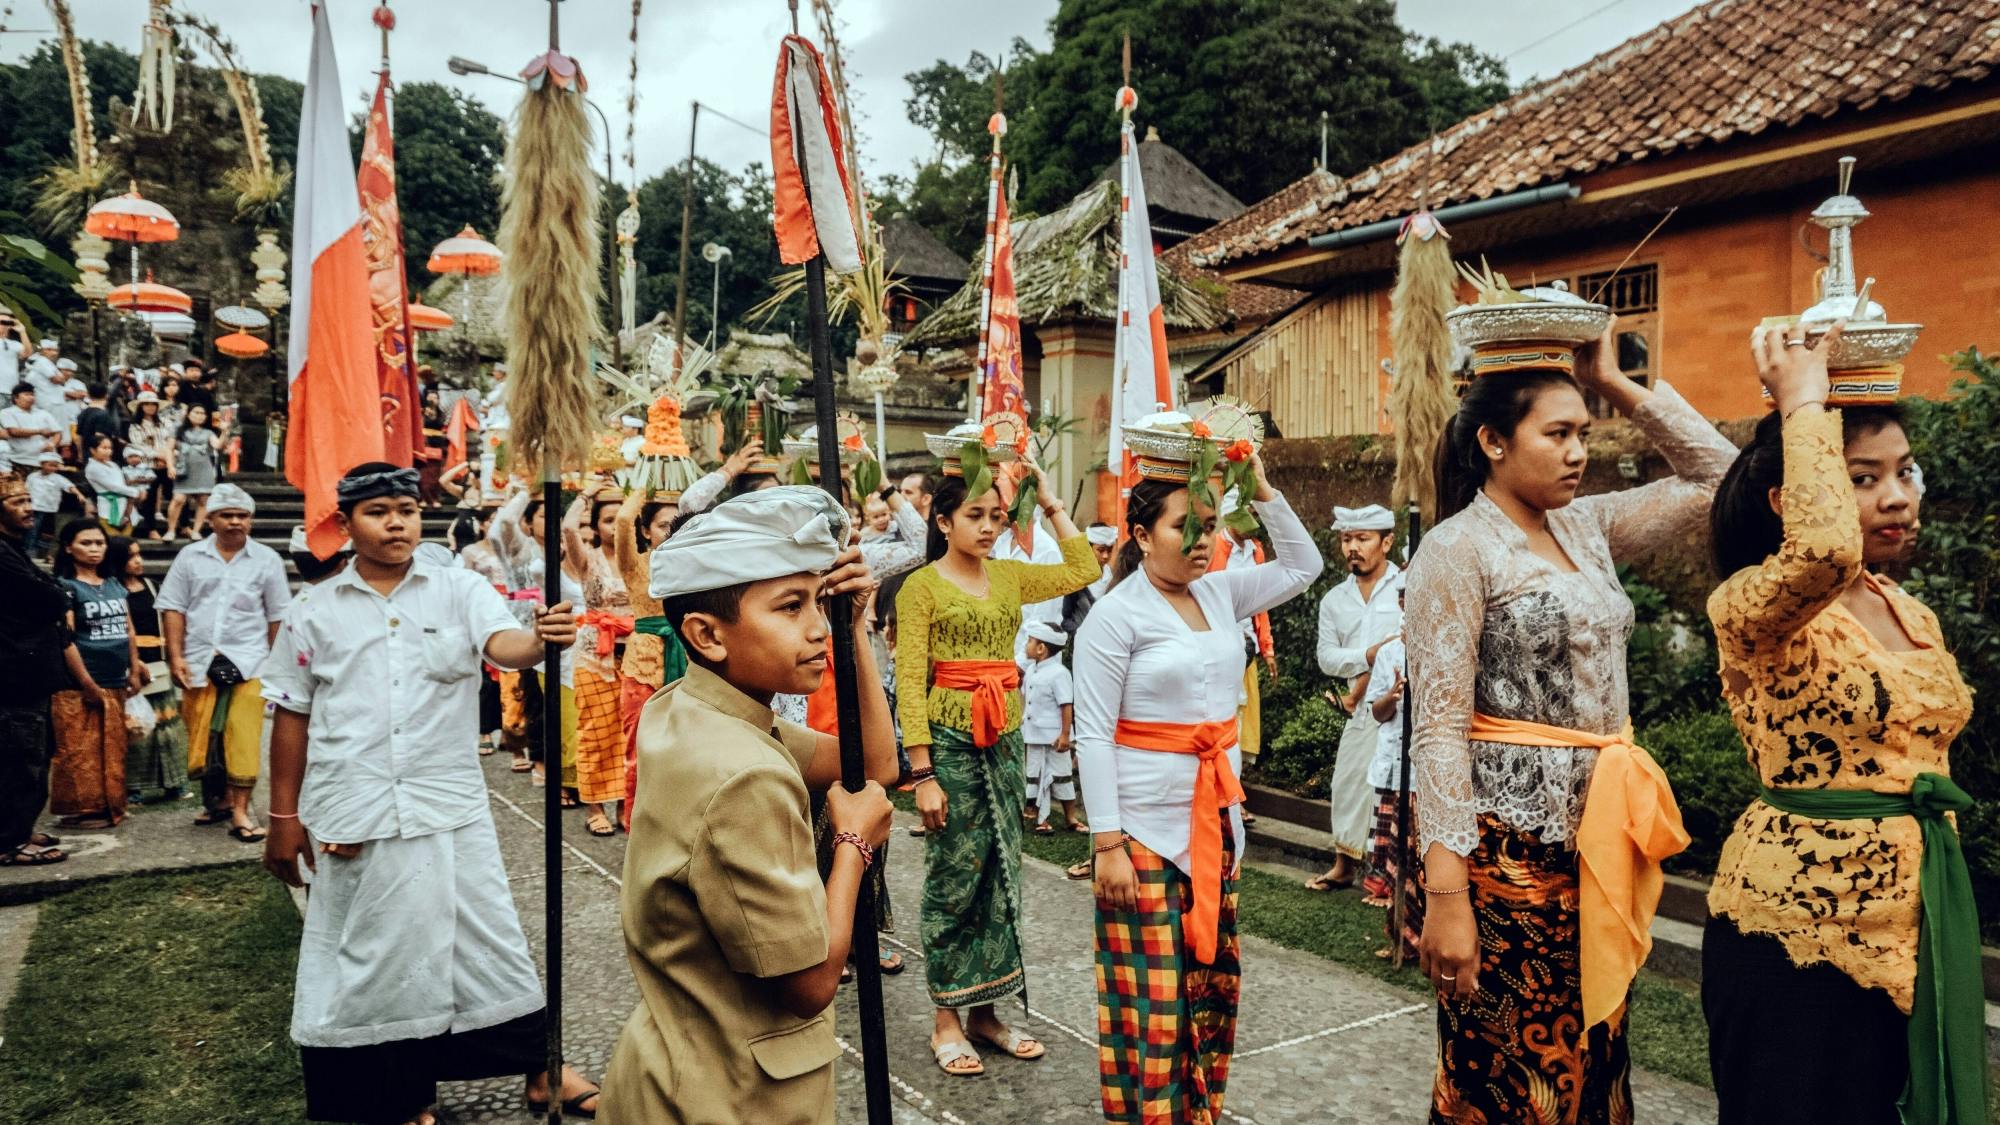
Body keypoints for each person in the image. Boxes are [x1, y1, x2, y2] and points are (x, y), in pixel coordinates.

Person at [1405, 318, 1734, 1123]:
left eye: (1585, 431)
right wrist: (1446, 894)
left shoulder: (1586, 528)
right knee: (1513, 1074)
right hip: (1508, 859)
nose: (1579, 451)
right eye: (1557, 433)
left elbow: (1722, 478)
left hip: (1600, 842)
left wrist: (1620, 384)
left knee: (1596, 1059)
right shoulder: (1456, 549)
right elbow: (1438, 727)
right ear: (1491, 439)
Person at [257, 463, 600, 1125]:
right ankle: (399, 1093)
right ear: (346, 522)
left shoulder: (459, 589)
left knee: (486, 940)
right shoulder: (313, 613)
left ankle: (542, 1069)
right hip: (356, 810)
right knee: (374, 959)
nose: (396, 523)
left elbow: (503, 643)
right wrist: (281, 815)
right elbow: (291, 714)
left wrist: (539, 640)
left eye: (406, 510)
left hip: (449, 809)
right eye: (378, 511)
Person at [1702, 324, 1984, 1125]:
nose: (1897, 495)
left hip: (1916, 923)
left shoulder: (1909, 609)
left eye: (1904, 471)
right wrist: (1801, 398)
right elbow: (1824, 550)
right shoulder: (1755, 610)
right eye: (1864, 478)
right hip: (1795, 939)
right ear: (1794, 497)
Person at [602, 485, 898, 1125]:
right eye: (790, 607)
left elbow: (872, 767)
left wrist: (853, 633)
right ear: (707, 634)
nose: (816, 625)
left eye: (818, 602)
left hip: (676, 1067)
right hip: (726, 1097)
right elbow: (811, 985)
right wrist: (853, 846)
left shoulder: (692, 705)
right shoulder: (745, 774)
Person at [1073, 438, 1320, 1124]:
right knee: (1152, 998)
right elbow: (1093, 733)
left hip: (1215, 822)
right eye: (1185, 525)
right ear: (1142, 533)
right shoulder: (1114, 617)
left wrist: (1263, 487)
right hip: (1144, 830)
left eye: (1209, 525)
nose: (1202, 540)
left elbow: (1305, 564)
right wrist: (1108, 843)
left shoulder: (1220, 593)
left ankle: (1201, 1108)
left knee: (1211, 986)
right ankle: (1148, 1115)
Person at [895, 448, 1096, 1077]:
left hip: (1004, 736)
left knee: (1003, 870)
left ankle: (986, 1013)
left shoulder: (1008, 576)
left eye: (996, 516)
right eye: (974, 515)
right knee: (955, 873)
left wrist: (1049, 496)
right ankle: (947, 1018)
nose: (988, 527)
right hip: (951, 742)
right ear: (943, 521)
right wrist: (922, 774)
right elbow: (908, 680)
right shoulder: (921, 587)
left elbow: (1084, 564)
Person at [159, 482, 290, 841]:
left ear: (250, 520)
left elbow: (277, 616)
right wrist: (176, 657)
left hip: (251, 661)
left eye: (242, 516)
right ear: (211, 519)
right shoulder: (190, 557)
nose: (235, 522)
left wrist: (279, 667)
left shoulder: (267, 560)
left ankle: (240, 811)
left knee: (242, 735)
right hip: (199, 660)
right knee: (205, 736)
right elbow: (173, 607)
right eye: (227, 515)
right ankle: (216, 801)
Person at [1306, 504, 1402, 891]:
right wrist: (1367, 656)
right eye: (1347, 539)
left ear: (1387, 541)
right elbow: (1327, 658)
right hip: (1362, 711)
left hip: (1403, 705)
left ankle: (1392, 878)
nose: (1353, 548)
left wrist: (1383, 659)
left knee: (1395, 787)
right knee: (1348, 782)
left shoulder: (1407, 585)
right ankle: (1344, 866)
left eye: (1363, 539)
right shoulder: (1334, 600)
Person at [0, 472, 75, 866]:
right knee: (20, 759)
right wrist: (59, 595)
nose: (29, 509)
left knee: (35, 754)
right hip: (14, 676)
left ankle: (20, 827)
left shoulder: (14, 549)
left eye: (29, 501)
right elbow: (49, 596)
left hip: (29, 675)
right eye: (18, 503)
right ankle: (10, 842)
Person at [49, 519, 145, 829]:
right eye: (86, 543)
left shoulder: (114, 584)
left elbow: (128, 628)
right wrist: (86, 682)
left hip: (116, 679)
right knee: (80, 749)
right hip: (80, 684)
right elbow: (66, 639)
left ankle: (110, 804)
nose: (94, 549)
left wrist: (134, 667)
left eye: (99, 543)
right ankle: (84, 810)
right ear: (68, 548)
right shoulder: (66, 587)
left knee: (114, 746)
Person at [561, 481, 633, 836]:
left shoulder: (640, 559)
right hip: (594, 655)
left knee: (629, 734)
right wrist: (585, 495)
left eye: (621, 519)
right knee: (595, 732)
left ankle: (624, 804)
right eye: (607, 520)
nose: (614, 526)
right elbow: (568, 527)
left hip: (636, 656)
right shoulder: (587, 559)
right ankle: (593, 805)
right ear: (596, 525)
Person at [611, 488, 684, 831]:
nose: (670, 533)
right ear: (645, 531)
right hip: (643, 666)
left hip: (688, 662)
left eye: (676, 525)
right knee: (638, 753)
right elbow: (624, 519)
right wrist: (645, 483)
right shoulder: (634, 563)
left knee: (686, 752)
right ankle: (636, 830)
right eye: (662, 525)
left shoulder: (692, 566)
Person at [1360, 597, 1420, 959]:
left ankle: (1421, 938)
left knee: (1420, 862)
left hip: (1424, 775)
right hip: (1393, 770)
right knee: (1397, 861)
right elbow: (1378, 714)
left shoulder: (1445, 649)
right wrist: (1392, 696)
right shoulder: (1390, 653)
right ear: (1402, 603)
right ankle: (1400, 938)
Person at [107, 535, 187, 804]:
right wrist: (133, 662)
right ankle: (135, 786)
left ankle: (172, 782)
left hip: (159, 663)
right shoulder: (112, 589)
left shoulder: (152, 586)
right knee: (138, 727)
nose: (138, 561)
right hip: (131, 665)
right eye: (131, 556)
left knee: (167, 726)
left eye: (139, 554)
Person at [1020, 620, 1081, 834]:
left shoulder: (1059, 673)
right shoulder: (1031, 671)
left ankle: (1070, 817)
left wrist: (1065, 735)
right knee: (1034, 774)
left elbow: (1066, 705)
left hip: (1054, 737)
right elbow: (1025, 699)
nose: (1025, 646)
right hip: (1034, 735)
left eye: (1029, 641)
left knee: (1061, 774)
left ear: (1041, 648)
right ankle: (1039, 817)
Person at [165, 402, 224, 540]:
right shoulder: (178, 430)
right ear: (189, 414)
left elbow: (218, 445)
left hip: (204, 468)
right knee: (178, 499)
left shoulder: (208, 432)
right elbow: (168, 448)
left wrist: (225, 431)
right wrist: (170, 466)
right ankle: (171, 529)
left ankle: (197, 530)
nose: (199, 416)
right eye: (196, 412)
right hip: (183, 467)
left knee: (203, 500)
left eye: (202, 413)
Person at [126, 390, 176, 540]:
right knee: (150, 498)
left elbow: (171, 441)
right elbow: (139, 446)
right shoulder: (135, 426)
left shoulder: (165, 422)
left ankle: (181, 524)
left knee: (176, 494)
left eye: (153, 404)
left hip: (168, 460)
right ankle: (151, 529)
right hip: (148, 462)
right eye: (147, 404)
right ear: (140, 407)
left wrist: (167, 456)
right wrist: (158, 455)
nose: (150, 407)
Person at [25, 450, 85, 558]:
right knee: (32, 530)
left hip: (50, 509)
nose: (52, 468)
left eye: (55, 466)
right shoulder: (32, 477)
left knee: (47, 532)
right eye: (50, 465)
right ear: (42, 464)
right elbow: (27, 490)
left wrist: (79, 494)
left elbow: (69, 486)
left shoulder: (57, 478)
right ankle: (29, 551)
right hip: (35, 508)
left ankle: (43, 554)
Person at [83, 433, 143, 532]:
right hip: (108, 505)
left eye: (110, 448)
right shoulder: (92, 468)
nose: (108, 451)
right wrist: (135, 492)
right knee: (112, 537)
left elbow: (121, 483)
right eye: (104, 448)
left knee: (125, 538)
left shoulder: (113, 464)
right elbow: (113, 487)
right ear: (92, 450)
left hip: (125, 506)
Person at [4, 383, 61, 471]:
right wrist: (39, 431)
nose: (31, 397)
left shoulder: (44, 413)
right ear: (16, 398)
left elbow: (58, 432)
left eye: (32, 394)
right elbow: (14, 431)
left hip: (46, 462)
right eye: (26, 394)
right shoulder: (7, 413)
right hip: (21, 461)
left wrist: (52, 444)